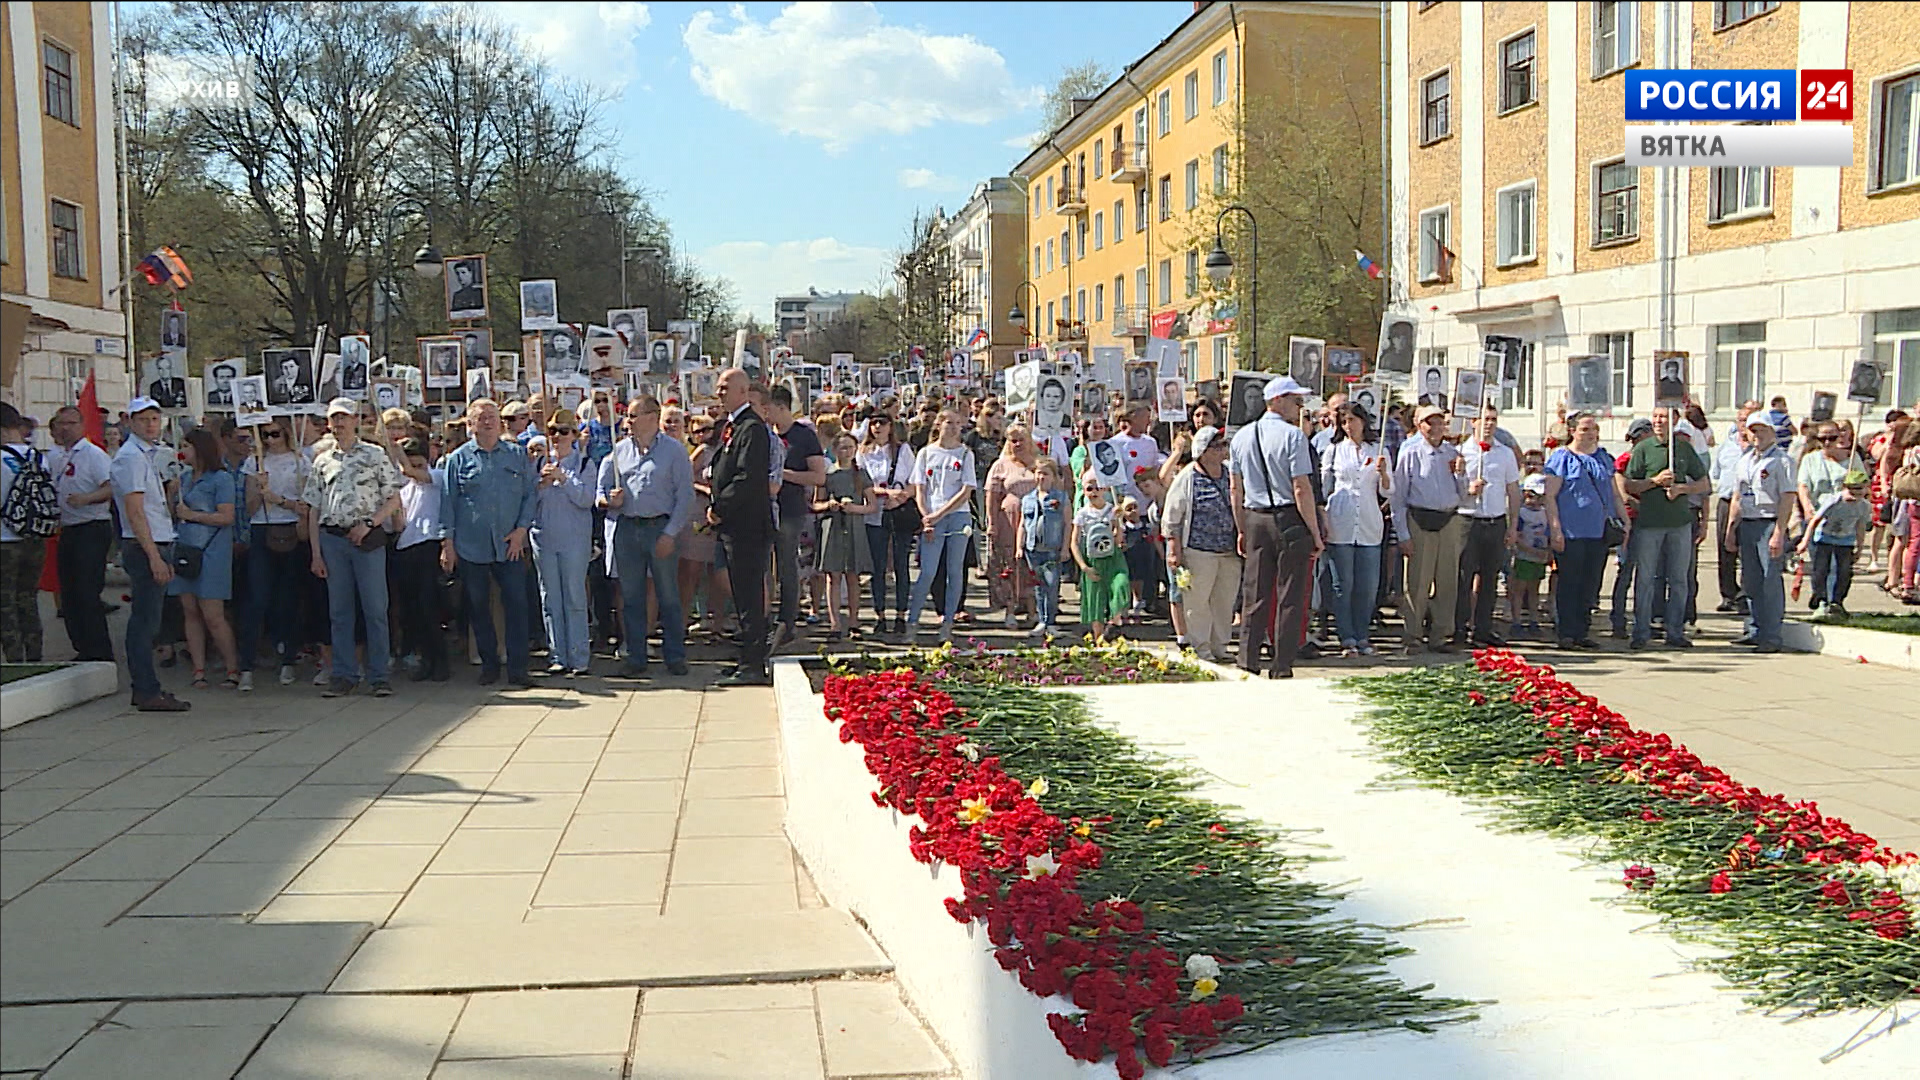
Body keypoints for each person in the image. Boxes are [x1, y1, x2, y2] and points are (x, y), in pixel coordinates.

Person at [304, 399, 403, 695]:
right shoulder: (322, 460)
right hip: (333, 539)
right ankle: (344, 674)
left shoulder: (374, 455)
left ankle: (378, 675)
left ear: (356, 420)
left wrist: (371, 524)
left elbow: (394, 499)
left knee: (374, 608)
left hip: (367, 539)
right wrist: (316, 552)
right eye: (334, 419)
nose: (339, 424)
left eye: (344, 418)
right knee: (340, 610)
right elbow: (313, 507)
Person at [438, 398, 537, 688]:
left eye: (492, 416)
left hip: (511, 546)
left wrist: (521, 530)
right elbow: (448, 504)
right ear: (470, 425)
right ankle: (489, 665)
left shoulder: (517, 455)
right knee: (478, 608)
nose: (488, 421)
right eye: (481, 417)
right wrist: (448, 544)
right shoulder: (457, 459)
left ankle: (518, 670)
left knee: (517, 607)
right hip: (472, 546)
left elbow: (529, 496)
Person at [1229, 377, 1322, 678]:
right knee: (1290, 595)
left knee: (1255, 592)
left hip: (1255, 516)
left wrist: (1242, 527)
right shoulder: (1294, 437)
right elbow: (1301, 488)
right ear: (1278, 400)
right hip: (1288, 518)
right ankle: (1282, 665)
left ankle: (1247, 660)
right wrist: (1315, 532)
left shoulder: (1242, 436)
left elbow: (1235, 490)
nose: (1300, 406)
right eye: (1295, 400)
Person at [598, 396, 694, 678]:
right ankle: (636, 656)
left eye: (633, 415)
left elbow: (685, 497)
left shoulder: (674, 452)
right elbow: (600, 493)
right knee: (631, 597)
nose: (627, 421)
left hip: (659, 528)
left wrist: (670, 533)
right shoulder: (618, 453)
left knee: (668, 595)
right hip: (627, 528)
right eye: (627, 416)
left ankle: (674, 656)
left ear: (653, 417)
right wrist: (609, 501)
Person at [111, 398, 189, 711]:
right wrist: (154, 556)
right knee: (145, 622)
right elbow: (135, 512)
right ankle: (145, 688)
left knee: (151, 620)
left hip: (158, 539)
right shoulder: (130, 457)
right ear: (130, 422)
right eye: (143, 419)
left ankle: (146, 687)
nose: (150, 425)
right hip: (145, 544)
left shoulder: (148, 455)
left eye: (155, 418)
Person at [707, 368, 776, 686]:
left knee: (749, 597)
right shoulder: (733, 426)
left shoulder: (752, 428)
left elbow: (748, 478)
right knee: (741, 595)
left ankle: (753, 663)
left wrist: (720, 508)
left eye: (725, 387)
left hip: (747, 526)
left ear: (743, 391)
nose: (719, 392)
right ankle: (746, 657)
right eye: (718, 387)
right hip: (734, 527)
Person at [1623, 409, 1710, 649]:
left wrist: (1682, 489)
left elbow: (1704, 483)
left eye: (1664, 417)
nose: (1659, 421)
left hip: (1679, 523)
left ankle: (1675, 631)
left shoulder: (1683, 449)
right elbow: (1630, 484)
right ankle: (1641, 631)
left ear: (1674, 421)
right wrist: (1654, 482)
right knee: (1646, 579)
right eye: (1656, 416)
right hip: (1650, 524)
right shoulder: (1643, 449)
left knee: (1679, 580)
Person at [168, 428, 242, 689]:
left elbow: (226, 517)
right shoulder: (184, 478)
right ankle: (198, 669)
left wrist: (193, 515)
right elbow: (174, 513)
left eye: (187, 445)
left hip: (211, 553)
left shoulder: (220, 479)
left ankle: (232, 667)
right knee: (190, 611)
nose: (183, 450)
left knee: (213, 614)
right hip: (186, 549)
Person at [1389, 405, 1467, 653]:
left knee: (1447, 581)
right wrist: (1402, 533)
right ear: (1419, 425)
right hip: (1420, 519)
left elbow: (1464, 496)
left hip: (1449, 519)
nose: (1435, 428)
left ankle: (1442, 634)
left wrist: (1462, 475)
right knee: (1417, 581)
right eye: (1428, 423)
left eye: (1439, 423)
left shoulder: (1452, 453)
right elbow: (1398, 495)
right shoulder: (1410, 451)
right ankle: (1413, 634)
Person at [1542, 413, 1623, 651]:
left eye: (1594, 429)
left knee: (1590, 582)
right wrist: (1555, 528)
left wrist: (1624, 519)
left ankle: (1582, 630)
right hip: (1571, 531)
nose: (1591, 434)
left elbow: (1613, 491)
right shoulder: (1560, 458)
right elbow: (1550, 496)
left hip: (1597, 531)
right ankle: (1566, 632)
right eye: (1585, 429)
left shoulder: (1603, 458)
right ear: (1572, 431)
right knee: (1570, 582)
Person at [1162, 425, 1240, 661]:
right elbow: (1172, 516)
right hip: (1198, 550)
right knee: (1198, 601)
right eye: (1217, 447)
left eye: (1223, 446)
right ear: (1203, 451)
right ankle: (1201, 646)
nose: (1222, 451)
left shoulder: (1229, 473)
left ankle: (1220, 646)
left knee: (1224, 600)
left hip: (1228, 550)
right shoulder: (1188, 477)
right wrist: (1174, 549)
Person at [526, 409, 595, 677]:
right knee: (550, 598)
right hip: (544, 537)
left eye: (564, 432)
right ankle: (557, 655)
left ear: (575, 435)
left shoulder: (585, 464)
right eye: (553, 431)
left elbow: (586, 499)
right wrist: (539, 486)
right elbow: (528, 501)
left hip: (574, 539)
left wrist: (563, 479)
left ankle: (579, 656)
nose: (557, 437)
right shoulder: (538, 463)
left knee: (575, 597)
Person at [45, 406, 116, 661]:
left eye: (72, 423)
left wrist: (87, 498)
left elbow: (111, 488)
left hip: (92, 527)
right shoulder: (55, 456)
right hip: (68, 528)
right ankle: (82, 648)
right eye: (61, 423)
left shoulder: (93, 455)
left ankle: (99, 650)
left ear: (82, 425)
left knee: (87, 591)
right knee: (69, 592)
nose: (66, 428)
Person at [1319, 404, 1390, 657]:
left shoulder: (1378, 450)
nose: (1349, 426)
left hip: (1369, 523)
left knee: (1368, 585)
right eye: (1344, 421)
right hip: (1342, 520)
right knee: (1343, 583)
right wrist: (1324, 519)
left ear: (1363, 421)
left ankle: (1362, 633)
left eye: (1353, 420)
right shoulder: (1334, 451)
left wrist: (1383, 475)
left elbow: (1388, 492)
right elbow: (1324, 489)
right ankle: (1346, 635)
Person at [905, 406, 978, 642]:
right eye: (949, 423)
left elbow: (966, 490)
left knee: (955, 571)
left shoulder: (965, 454)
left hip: (957, 515)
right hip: (932, 515)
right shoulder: (926, 453)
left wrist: (940, 514)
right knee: (927, 571)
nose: (955, 427)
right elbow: (920, 488)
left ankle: (948, 623)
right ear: (939, 425)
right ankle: (913, 622)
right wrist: (927, 516)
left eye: (958, 423)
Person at [1453, 404, 1522, 647]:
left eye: (1493, 419)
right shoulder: (1460, 452)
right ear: (1473, 421)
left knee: (1490, 577)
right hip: (1468, 520)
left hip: (1494, 521)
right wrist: (1466, 487)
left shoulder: (1504, 453)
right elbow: (1452, 489)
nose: (1489, 424)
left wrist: (1513, 525)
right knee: (1463, 576)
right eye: (1485, 419)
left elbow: (1513, 490)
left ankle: (1484, 627)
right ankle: (1459, 627)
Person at [1727, 410, 1794, 652]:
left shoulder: (1782, 461)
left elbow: (1787, 498)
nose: (1757, 435)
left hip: (1769, 521)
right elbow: (1737, 496)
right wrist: (1730, 529)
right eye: (1753, 430)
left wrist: (1779, 531)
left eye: (1762, 430)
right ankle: (1754, 629)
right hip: (1748, 522)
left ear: (1772, 432)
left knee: (1770, 580)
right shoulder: (1745, 460)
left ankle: (1772, 635)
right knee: (1751, 579)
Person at [766, 385, 826, 648]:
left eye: (768, 409)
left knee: (787, 564)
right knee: (765, 565)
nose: (765, 414)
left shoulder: (804, 437)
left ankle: (787, 620)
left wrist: (783, 473)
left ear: (781, 407)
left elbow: (818, 476)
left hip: (790, 507)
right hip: (765, 506)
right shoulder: (766, 434)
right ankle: (768, 616)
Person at [813, 432, 874, 641]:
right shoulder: (827, 474)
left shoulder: (861, 474)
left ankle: (854, 621)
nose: (846, 452)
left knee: (853, 575)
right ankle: (835, 623)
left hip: (854, 525)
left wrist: (854, 509)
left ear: (855, 450)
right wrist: (829, 505)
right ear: (835, 450)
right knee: (834, 575)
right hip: (832, 526)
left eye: (850, 447)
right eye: (842, 448)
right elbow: (815, 504)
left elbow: (872, 505)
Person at [0, 404, 50, 662]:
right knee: (28, 598)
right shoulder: (39, 457)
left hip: (4, 540)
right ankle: (35, 653)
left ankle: (14, 657)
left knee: (5, 601)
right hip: (34, 537)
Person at [858, 413, 916, 637]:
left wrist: (902, 496)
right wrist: (885, 493)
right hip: (874, 513)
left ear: (891, 426)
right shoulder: (864, 452)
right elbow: (863, 483)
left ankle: (901, 614)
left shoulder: (903, 451)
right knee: (878, 566)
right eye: (873, 424)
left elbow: (915, 481)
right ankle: (879, 614)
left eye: (882, 423)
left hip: (899, 511)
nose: (877, 427)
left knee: (902, 563)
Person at [986, 423, 1043, 628]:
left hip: (1035, 518)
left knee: (1032, 563)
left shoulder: (1039, 463)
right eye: (1013, 440)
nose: (1017, 444)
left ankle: (1033, 610)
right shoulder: (1000, 465)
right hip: (1009, 519)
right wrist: (991, 523)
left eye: (1021, 439)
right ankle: (1010, 609)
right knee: (1009, 563)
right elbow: (991, 496)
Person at [1799, 470, 1872, 621]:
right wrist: (1805, 541)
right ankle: (1821, 599)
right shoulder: (1834, 500)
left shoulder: (1864, 506)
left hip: (1845, 540)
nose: (1855, 494)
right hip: (1825, 538)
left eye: (1860, 489)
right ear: (1844, 487)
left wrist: (1860, 548)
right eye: (1852, 489)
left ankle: (1837, 602)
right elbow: (1815, 520)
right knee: (1821, 570)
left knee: (1844, 572)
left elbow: (1860, 526)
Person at [1070, 470, 1129, 641]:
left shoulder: (1112, 510)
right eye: (1089, 489)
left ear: (1104, 489)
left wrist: (1118, 522)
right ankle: (1099, 642)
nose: (1094, 492)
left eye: (1097, 488)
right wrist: (1084, 567)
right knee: (1095, 601)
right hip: (1093, 560)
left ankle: (1115, 621)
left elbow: (1118, 539)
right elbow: (1073, 542)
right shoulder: (1082, 514)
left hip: (1113, 557)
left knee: (1121, 585)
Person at [1018, 458, 1069, 638]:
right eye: (1038, 473)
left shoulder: (1061, 498)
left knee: (1052, 585)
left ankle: (1051, 621)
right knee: (1038, 586)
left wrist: (1065, 548)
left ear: (1054, 477)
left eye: (1046, 474)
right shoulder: (1027, 499)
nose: (1041, 477)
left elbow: (1067, 523)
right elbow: (1023, 524)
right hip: (1033, 549)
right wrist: (1019, 546)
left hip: (1052, 548)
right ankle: (1041, 620)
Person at [1510, 475, 1552, 638]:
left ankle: (1534, 620)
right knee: (1519, 590)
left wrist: (1547, 550)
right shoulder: (1521, 513)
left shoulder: (1545, 513)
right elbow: (1517, 537)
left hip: (1539, 557)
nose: (1535, 500)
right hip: (1525, 556)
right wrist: (1529, 550)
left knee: (1534, 590)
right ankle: (1516, 621)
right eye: (1531, 495)